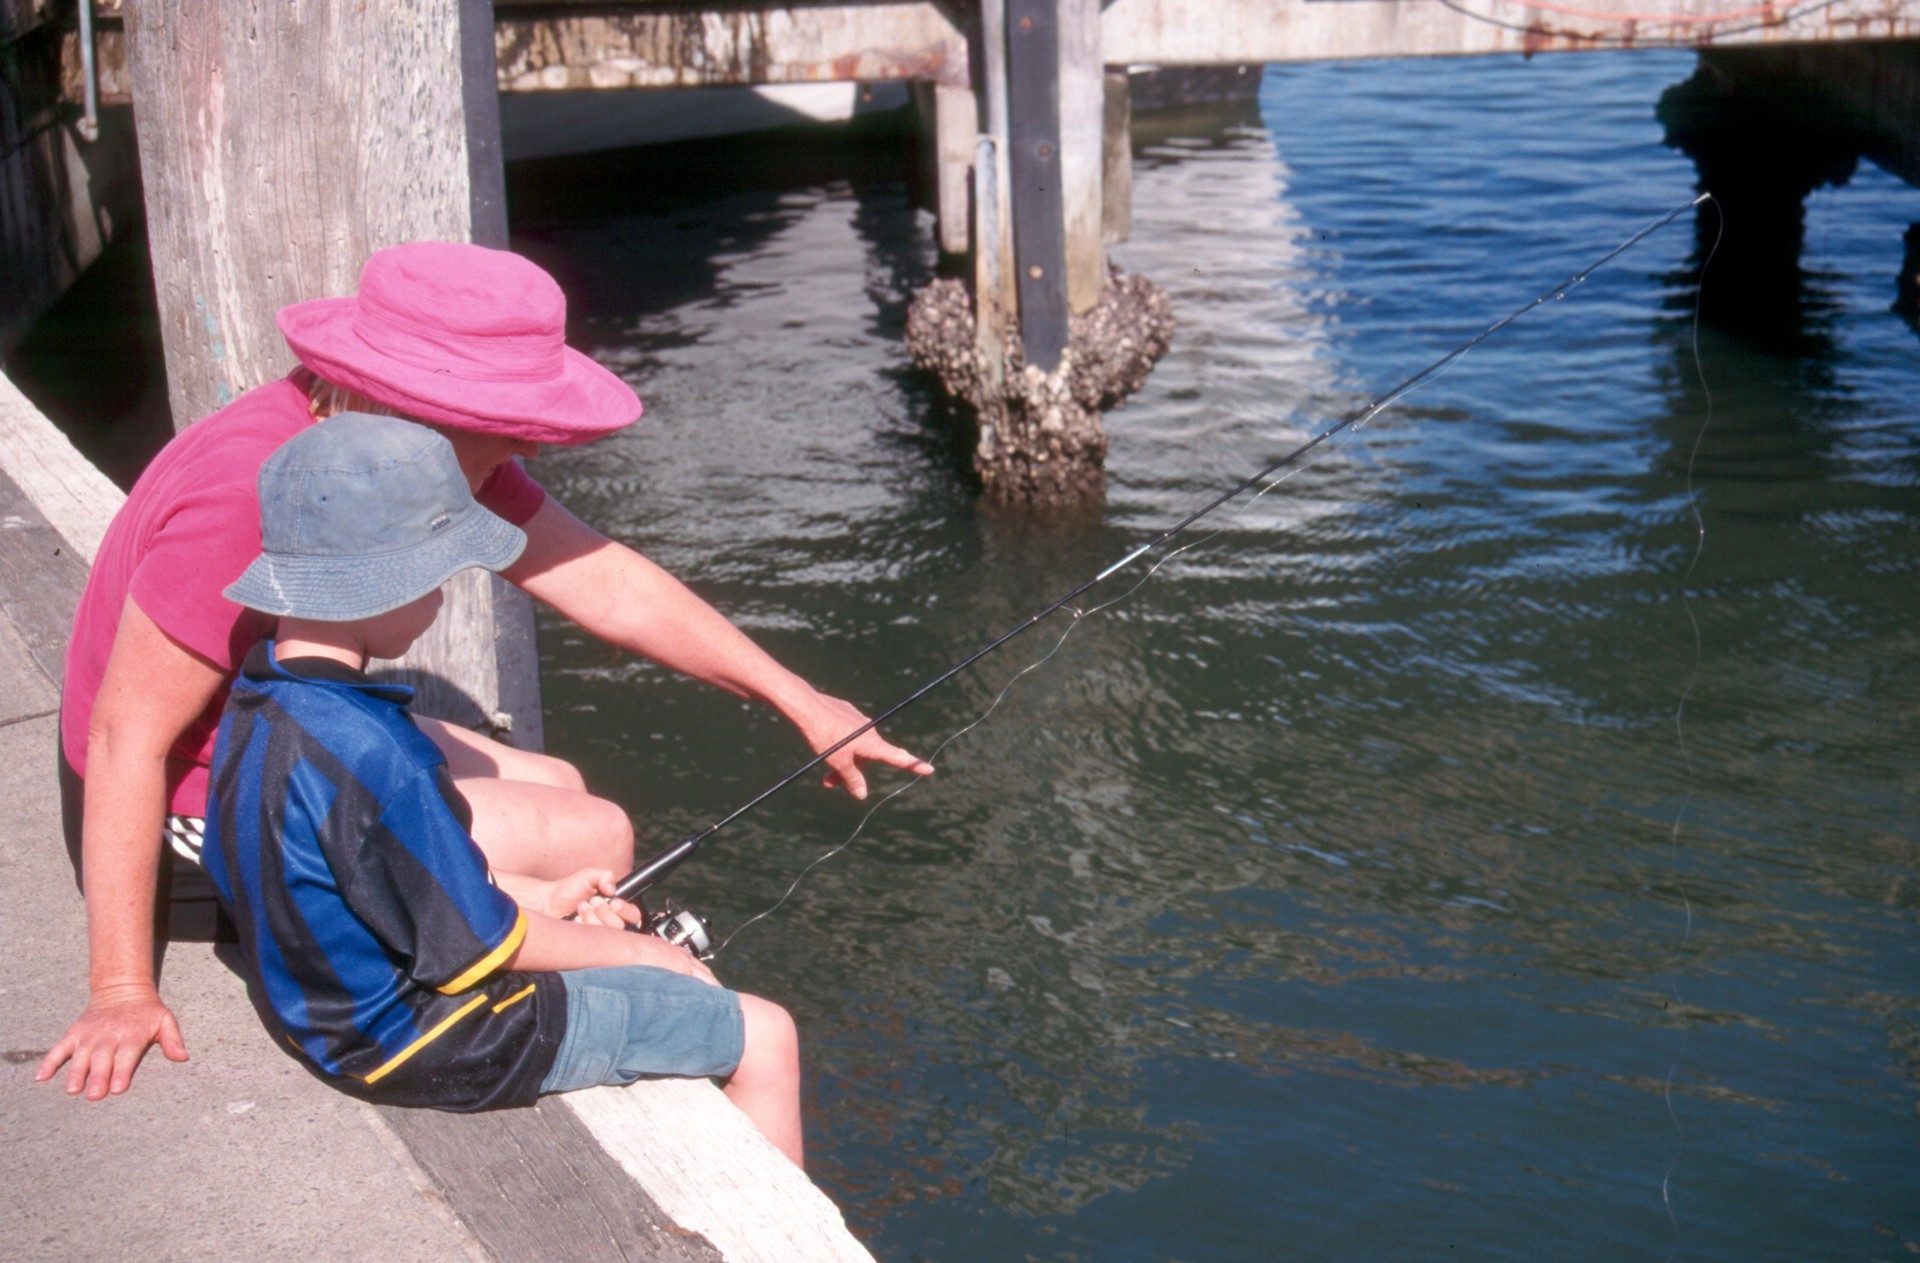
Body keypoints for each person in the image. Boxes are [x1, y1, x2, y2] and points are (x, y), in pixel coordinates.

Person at [39, 241, 930, 1102]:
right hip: (195, 800)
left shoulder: (383, 443)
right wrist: (120, 987)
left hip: (283, 716)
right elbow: (125, 738)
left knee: (566, 788)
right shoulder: (249, 494)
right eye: (511, 423)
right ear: (419, 404)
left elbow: (605, 583)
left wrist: (799, 698)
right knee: (594, 836)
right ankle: (583, 1015)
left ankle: (572, 962)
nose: (533, 448)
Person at [200, 413, 802, 1163]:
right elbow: (479, 951)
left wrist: (542, 898)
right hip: (429, 1038)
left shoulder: (260, 702)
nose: (441, 603)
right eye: (437, 580)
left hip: (315, 1009)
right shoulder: (381, 756)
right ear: (380, 583)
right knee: (764, 1033)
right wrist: (645, 957)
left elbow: (350, 879)